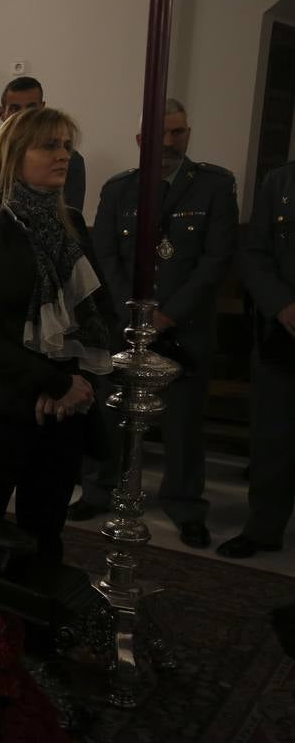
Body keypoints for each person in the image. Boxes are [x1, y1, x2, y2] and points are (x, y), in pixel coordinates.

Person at [0, 106, 112, 564]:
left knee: (44, 533)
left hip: (63, 407)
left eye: (67, 146)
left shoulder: (68, 223)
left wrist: (72, 384)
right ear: (12, 156)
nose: (63, 155)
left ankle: (39, 606)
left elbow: (90, 314)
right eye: (49, 146)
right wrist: (49, 382)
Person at [83, 98, 239, 548]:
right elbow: (105, 253)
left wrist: (169, 314)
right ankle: (100, 491)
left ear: (188, 134)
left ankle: (185, 505)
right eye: (159, 134)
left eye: (177, 132)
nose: (168, 142)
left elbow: (217, 259)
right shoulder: (119, 189)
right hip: (126, 324)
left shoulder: (213, 186)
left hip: (184, 327)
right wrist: (133, 311)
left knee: (183, 425)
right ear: (141, 139)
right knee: (110, 415)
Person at [222, 160, 295, 558]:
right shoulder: (280, 181)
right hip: (281, 332)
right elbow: (254, 253)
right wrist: (281, 305)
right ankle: (264, 527)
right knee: (272, 438)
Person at [0, 76, 87, 212]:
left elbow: (68, 215)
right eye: (15, 109)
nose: (23, 115)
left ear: (42, 109)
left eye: (31, 108)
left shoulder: (69, 161)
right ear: (2, 113)